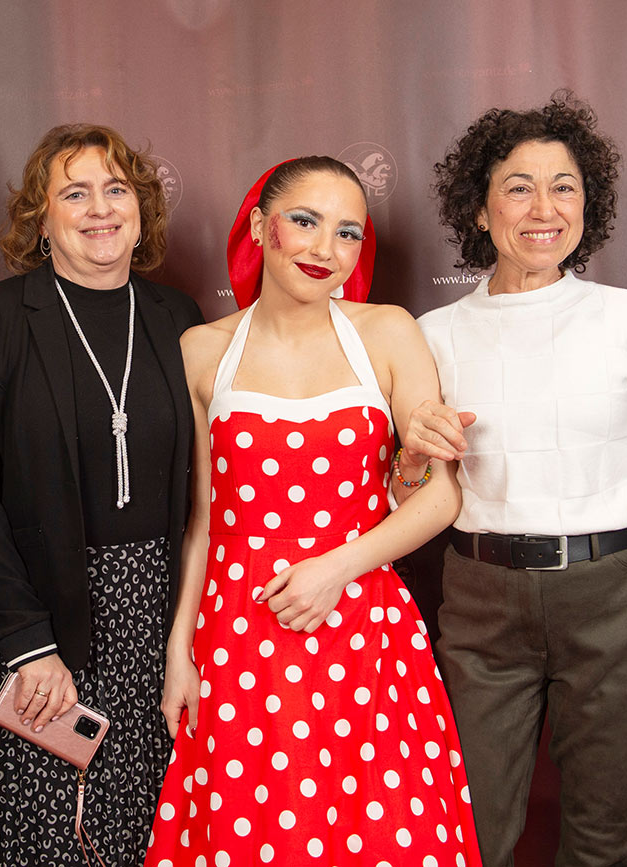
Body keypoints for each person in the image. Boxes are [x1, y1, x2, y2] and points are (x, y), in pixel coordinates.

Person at [402, 93, 627, 866]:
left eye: (564, 187)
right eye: (519, 187)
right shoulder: (431, 335)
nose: (544, 209)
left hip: (616, 599)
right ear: (480, 209)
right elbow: (405, 495)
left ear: (589, 203)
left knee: (606, 839)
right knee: (468, 835)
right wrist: (410, 458)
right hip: (482, 604)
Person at [143, 157, 482, 865]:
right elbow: (204, 522)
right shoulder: (202, 351)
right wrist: (180, 652)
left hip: (365, 627)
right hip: (240, 636)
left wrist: (336, 568)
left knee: (387, 834)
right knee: (259, 837)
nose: (326, 249)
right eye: (305, 221)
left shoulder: (387, 332)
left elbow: (440, 494)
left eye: (348, 232)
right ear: (259, 227)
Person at [0, 123, 203, 865]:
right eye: (75, 193)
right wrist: (29, 643)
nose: (100, 209)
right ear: (41, 217)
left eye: (116, 190)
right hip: (39, 616)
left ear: (141, 211)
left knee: (144, 828)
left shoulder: (179, 319)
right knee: (39, 834)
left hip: (154, 620)